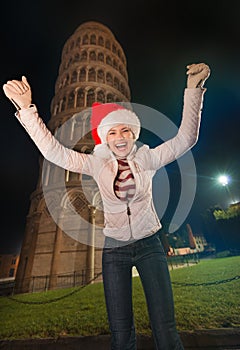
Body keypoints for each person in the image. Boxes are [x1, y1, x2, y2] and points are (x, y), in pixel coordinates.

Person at [3, 62, 210, 350]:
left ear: (133, 135)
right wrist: (27, 109)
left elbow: (186, 139)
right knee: (121, 334)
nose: (119, 137)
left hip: (150, 244)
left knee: (166, 329)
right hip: (114, 250)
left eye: (125, 130)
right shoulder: (96, 164)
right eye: (112, 132)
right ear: (105, 139)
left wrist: (193, 90)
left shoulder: (146, 159)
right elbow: (53, 151)